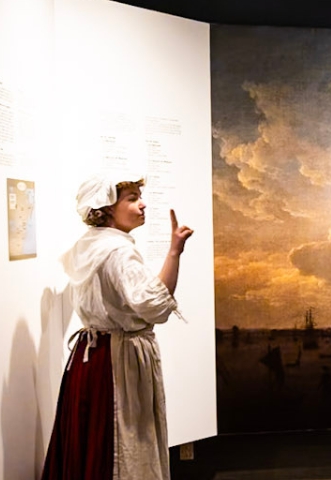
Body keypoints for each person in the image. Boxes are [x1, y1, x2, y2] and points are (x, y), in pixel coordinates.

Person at [41, 175, 195, 480]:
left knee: (93, 443)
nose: (142, 203)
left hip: (90, 359)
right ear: (106, 208)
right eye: (132, 198)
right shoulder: (118, 252)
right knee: (125, 444)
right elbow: (154, 305)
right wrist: (175, 251)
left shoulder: (89, 246)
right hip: (116, 362)